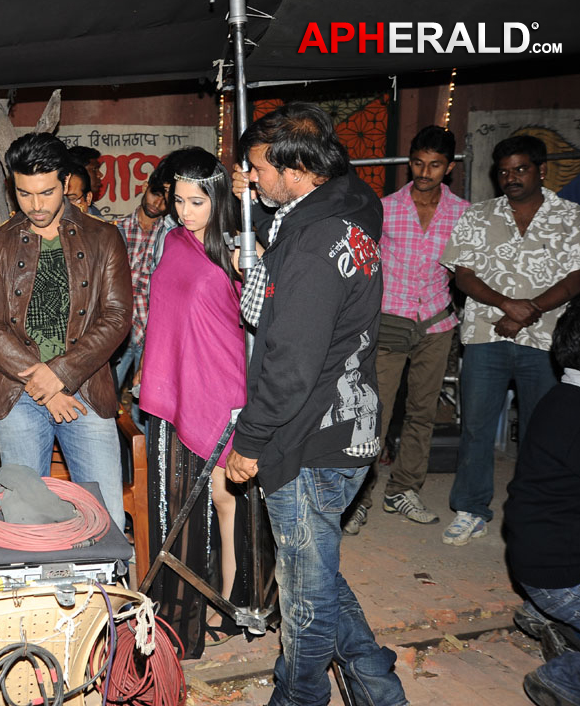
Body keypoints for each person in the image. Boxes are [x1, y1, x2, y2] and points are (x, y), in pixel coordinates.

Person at [225, 102, 406, 705]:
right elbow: (274, 316)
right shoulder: (347, 211)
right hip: (343, 428)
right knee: (316, 573)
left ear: (294, 166)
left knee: (303, 597)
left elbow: (290, 362)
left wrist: (248, 443)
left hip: (309, 438)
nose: (251, 178)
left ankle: (300, 697)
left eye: (257, 168)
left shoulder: (312, 239)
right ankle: (378, 688)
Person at [0, 132, 131, 531]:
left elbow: (116, 317)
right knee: (25, 519)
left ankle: (107, 593)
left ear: (65, 182)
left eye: (46, 192)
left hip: (86, 391)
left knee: (103, 515)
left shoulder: (103, 237)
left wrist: (58, 377)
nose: (36, 206)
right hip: (18, 394)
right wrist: (41, 381)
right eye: (25, 194)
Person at [136, 148, 254, 657]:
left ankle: (230, 602)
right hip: (177, 386)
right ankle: (185, 608)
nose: (185, 211)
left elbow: (257, 325)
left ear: (219, 197)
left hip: (221, 385)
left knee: (227, 498)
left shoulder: (238, 251)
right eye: (178, 200)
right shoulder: (173, 242)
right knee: (185, 504)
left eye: (197, 201)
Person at [439, 134, 580, 546]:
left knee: (544, 429)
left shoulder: (571, 217)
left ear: (541, 170)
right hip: (486, 335)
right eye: (504, 171)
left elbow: (576, 276)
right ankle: (471, 509)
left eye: (520, 169)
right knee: (477, 427)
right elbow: (462, 274)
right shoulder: (478, 216)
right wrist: (507, 305)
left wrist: (529, 310)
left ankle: (538, 507)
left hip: (546, 342)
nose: (511, 177)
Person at [345, 126, 469, 535]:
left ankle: (404, 488)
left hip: (437, 322)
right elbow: (363, 265)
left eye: (434, 165)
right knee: (374, 413)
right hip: (390, 319)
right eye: (418, 162)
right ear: (410, 161)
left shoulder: (463, 213)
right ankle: (359, 498)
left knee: (422, 412)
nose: (424, 171)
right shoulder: (385, 208)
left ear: (448, 168)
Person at [505, 301, 580, 706]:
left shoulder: (561, 397)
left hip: (540, 560)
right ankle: (566, 678)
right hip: (560, 575)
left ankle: (548, 619)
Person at [111, 169, 169, 391]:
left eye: (166, 199)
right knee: (107, 400)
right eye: (155, 192)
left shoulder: (169, 236)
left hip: (152, 336)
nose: (158, 202)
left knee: (144, 409)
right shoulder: (117, 230)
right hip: (119, 332)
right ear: (145, 186)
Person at [68, 145, 105, 214]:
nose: (100, 175)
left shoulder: (94, 212)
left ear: (88, 198)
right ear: (80, 171)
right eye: (94, 169)